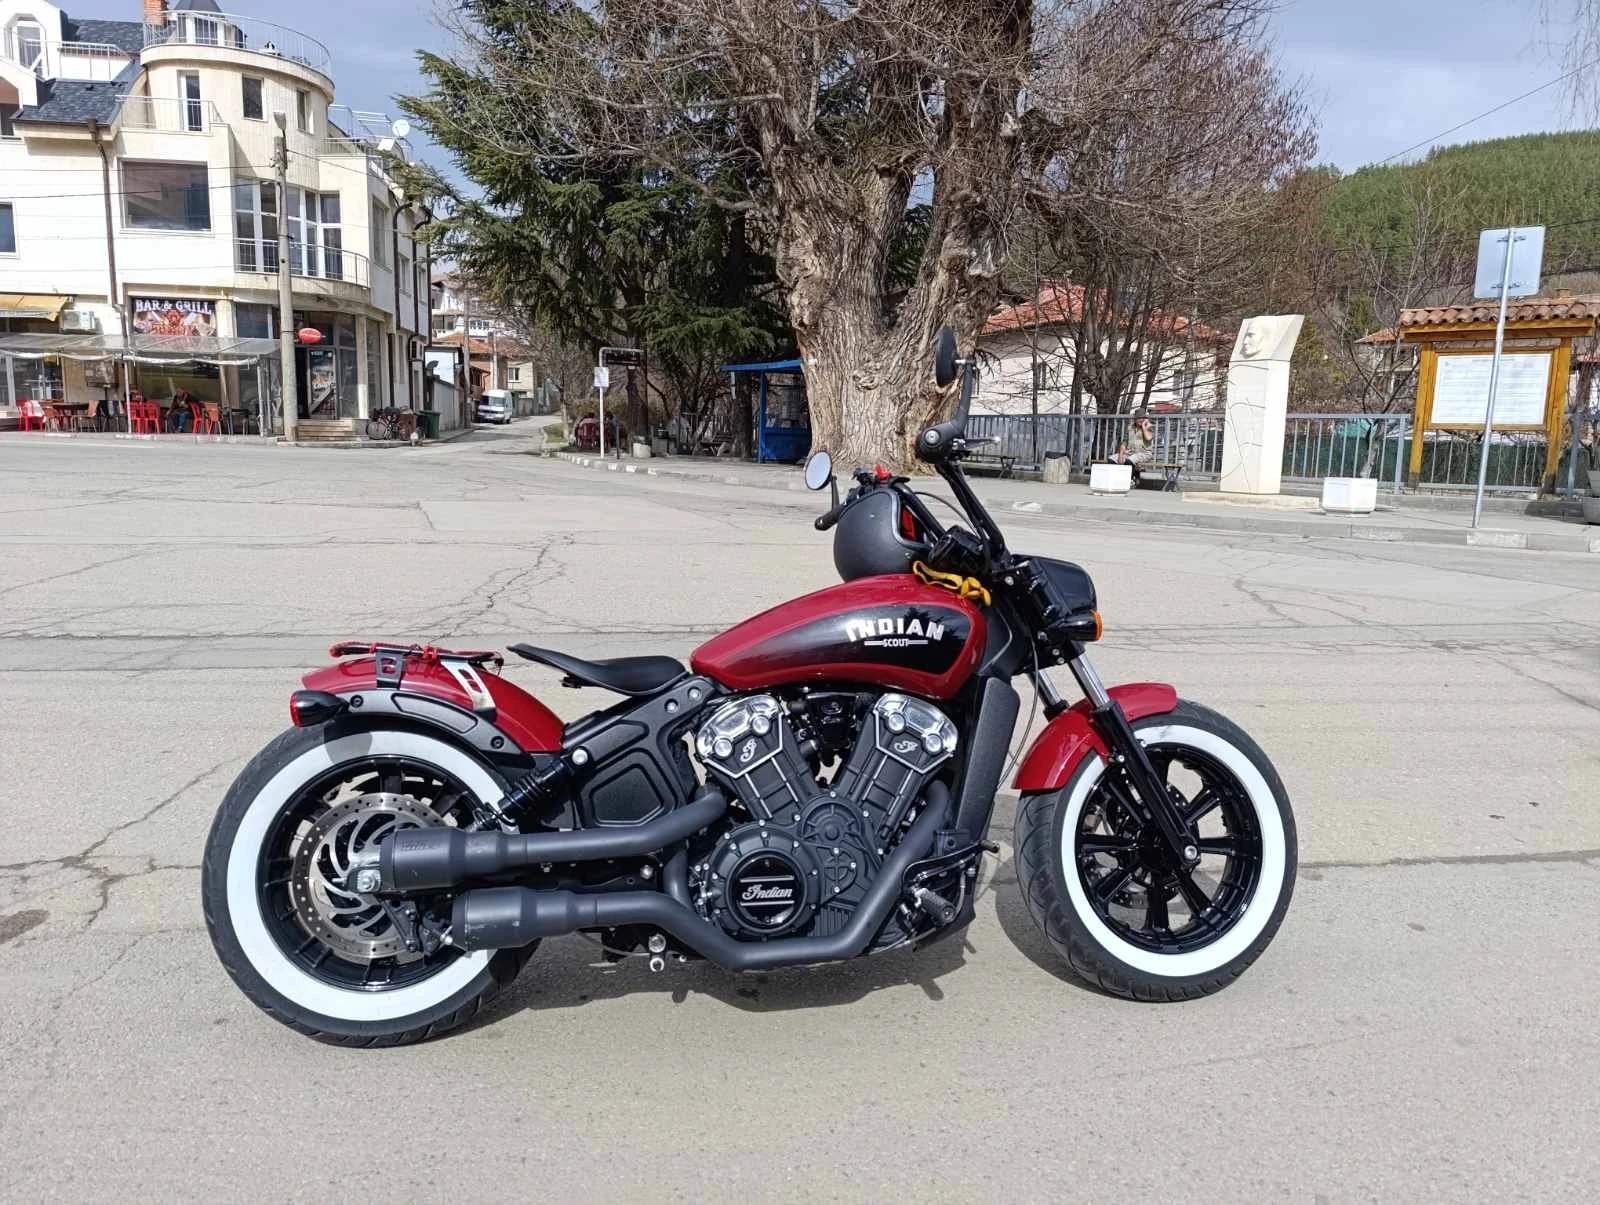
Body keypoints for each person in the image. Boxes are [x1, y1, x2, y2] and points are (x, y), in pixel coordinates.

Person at [1115, 410, 1157, 479]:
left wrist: (1143, 426)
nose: (1141, 419)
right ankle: (1118, 479)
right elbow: (1124, 442)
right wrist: (1120, 455)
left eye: (1143, 418)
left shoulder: (1149, 427)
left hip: (1144, 453)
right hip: (1130, 452)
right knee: (1112, 459)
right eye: (1139, 418)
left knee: (1128, 461)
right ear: (1135, 419)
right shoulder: (1130, 427)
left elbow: (1148, 438)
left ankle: (1129, 480)